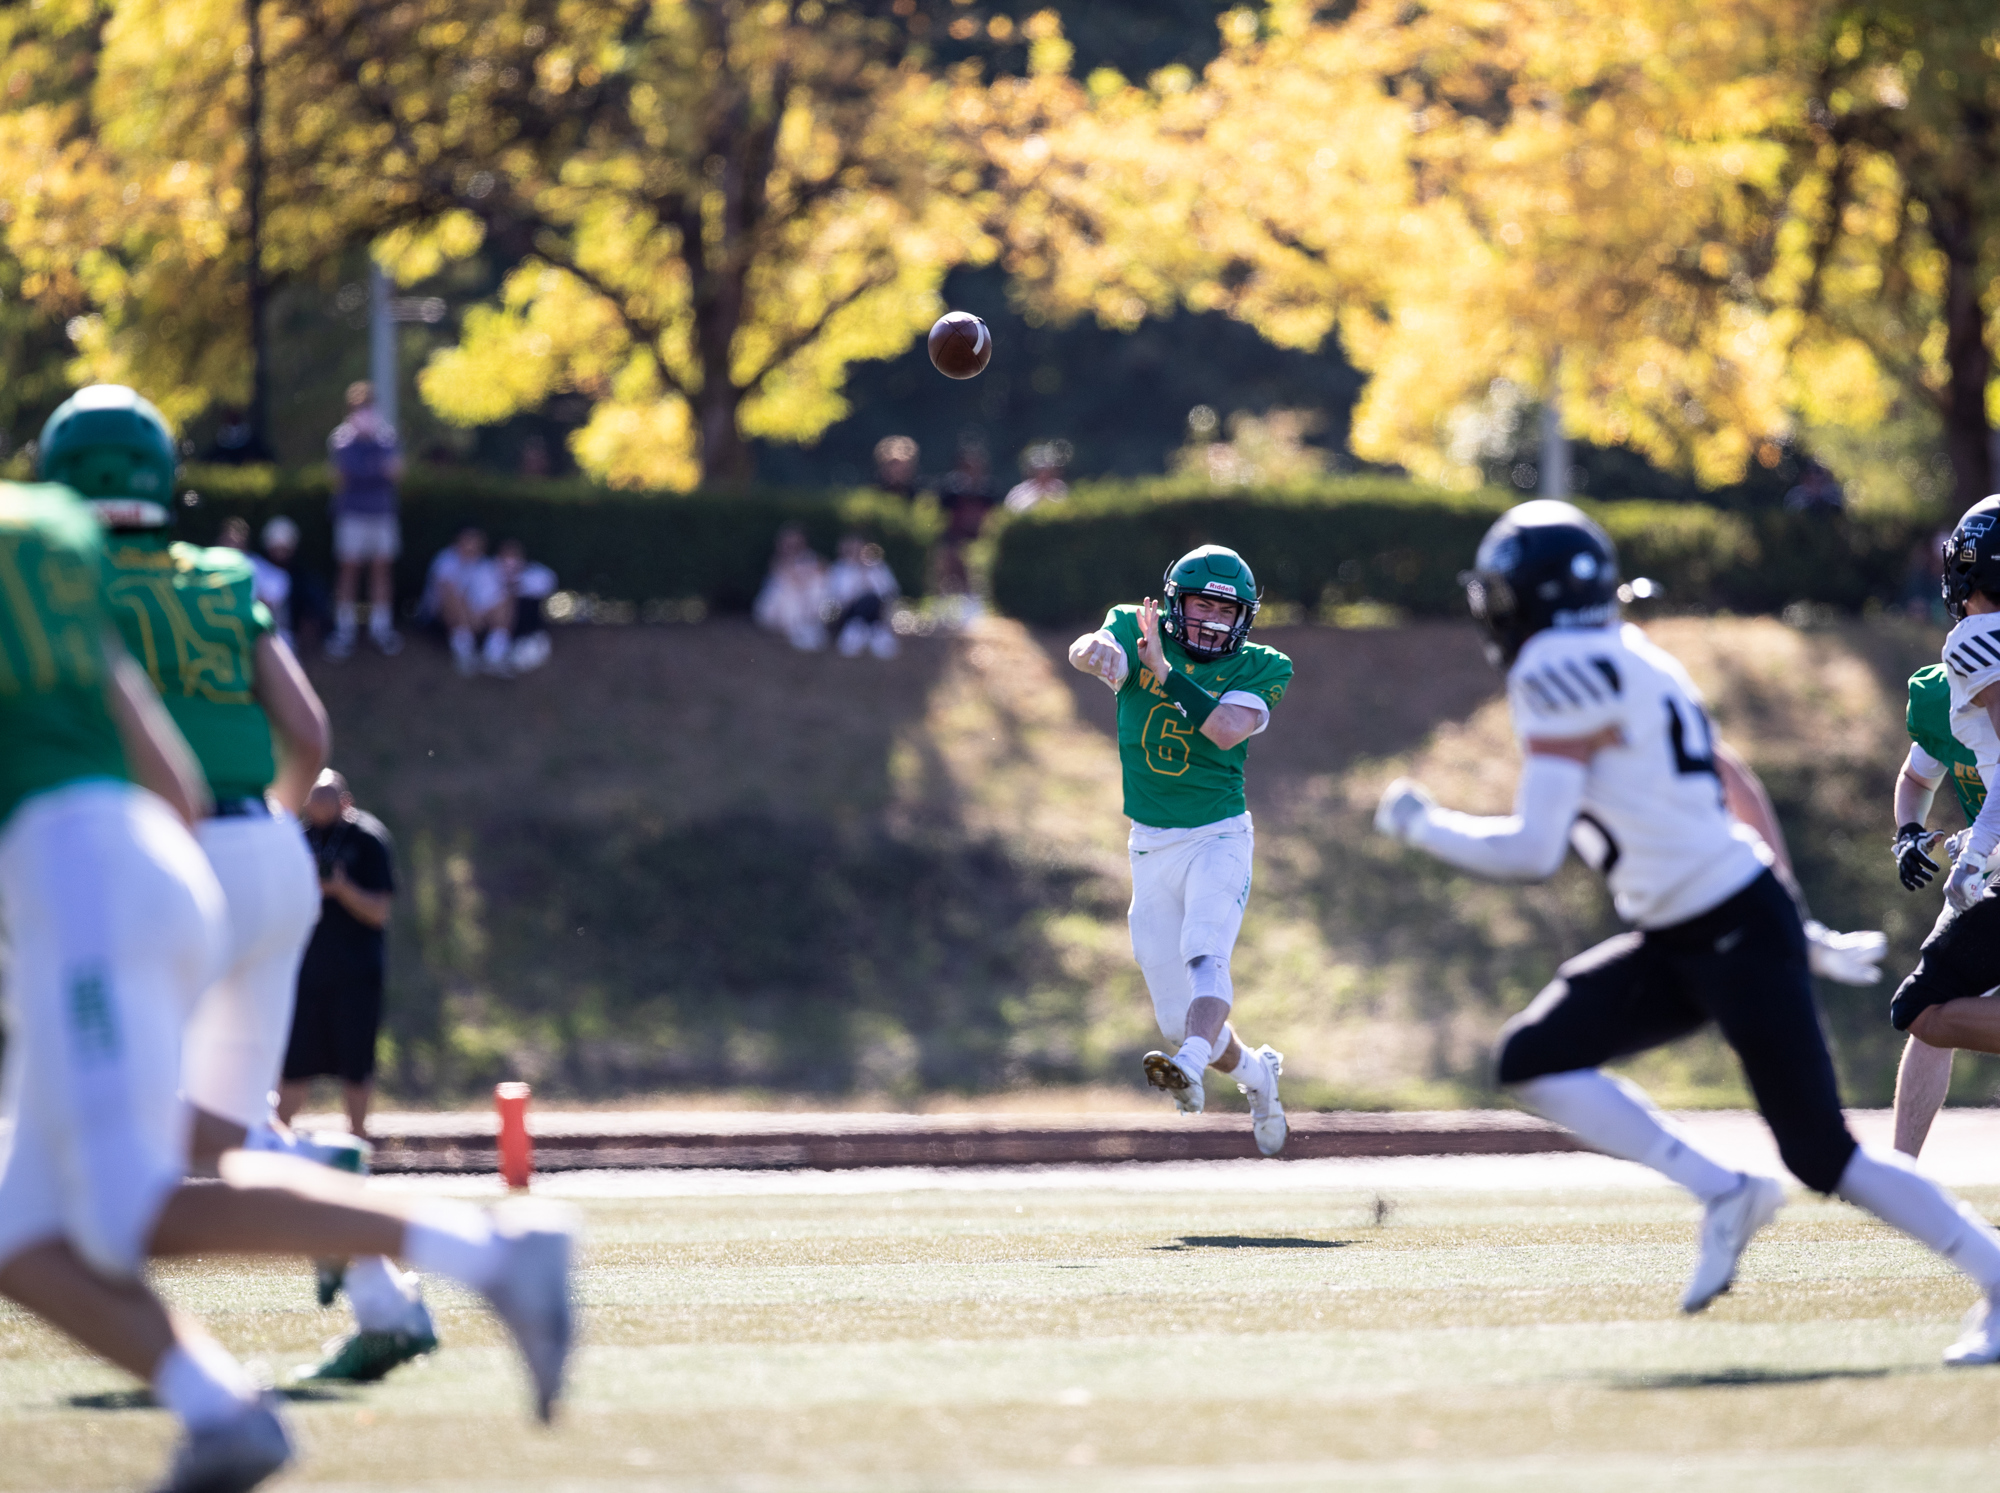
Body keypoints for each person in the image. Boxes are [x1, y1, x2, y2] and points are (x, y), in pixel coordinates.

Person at [0, 479, 575, 1493]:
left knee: (124, 1204)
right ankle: (220, 1412)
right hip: (153, 864)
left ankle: (489, 1255)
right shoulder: (47, 540)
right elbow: (175, 782)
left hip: (80, 887)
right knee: (22, 1235)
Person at [1373, 498, 2000, 1364]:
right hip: (1699, 923)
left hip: (1724, 926)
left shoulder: (1555, 665)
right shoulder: (1635, 652)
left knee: (1823, 1154)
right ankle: (1725, 1190)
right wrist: (1795, 911)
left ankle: (1999, 1282)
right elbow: (1731, 778)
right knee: (1532, 1057)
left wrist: (1421, 823)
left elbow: (1532, 850)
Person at [43, 386, 447, 1388]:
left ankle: (307, 1182)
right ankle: (384, 1296)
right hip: (268, 851)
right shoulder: (222, 575)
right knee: (223, 1126)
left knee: (127, 1113)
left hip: (157, 857)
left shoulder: (60, 585)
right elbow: (309, 734)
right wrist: (257, 821)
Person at [1067, 545, 1294, 1155]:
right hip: (1150, 845)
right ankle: (1257, 1076)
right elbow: (1093, 649)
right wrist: (1097, 654)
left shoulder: (1263, 665)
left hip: (1217, 837)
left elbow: (1223, 730)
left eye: (1228, 609)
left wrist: (1164, 672)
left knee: (1204, 955)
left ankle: (1189, 1065)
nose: (1216, 620)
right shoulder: (1132, 627)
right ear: (1174, 603)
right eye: (1203, 604)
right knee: (1178, 1019)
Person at [1885, 497, 2000, 1158]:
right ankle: (1901, 1167)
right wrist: (1909, 833)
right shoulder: (1941, 693)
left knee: (1927, 1008)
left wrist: (1977, 847)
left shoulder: (1974, 643)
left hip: (1985, 862)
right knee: (1928, 1010)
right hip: (1986, 870)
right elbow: (1916, 777)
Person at [281, 771, 396, 1140]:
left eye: (327, 800)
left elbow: (379, 911)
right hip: (306, 973)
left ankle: (359, 1140)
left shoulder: (368, 839)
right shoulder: (296, 839)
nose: (318, 808)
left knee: (356, 1065)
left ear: (346, 802)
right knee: (293, 1065)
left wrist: (343, 889)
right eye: (313, 800)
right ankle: (276, 1142)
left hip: (356, 974)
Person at [326, 380, 404, 659]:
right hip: (351, 515)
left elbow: (395, 472)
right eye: (359, 406)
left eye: (368, 405)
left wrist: (364, 469)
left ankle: (381, 628)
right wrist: (374, 470)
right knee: (349, 569)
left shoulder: (387, 437)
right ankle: (344, 630)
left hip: (382, 514)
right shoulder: (341, 439)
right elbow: (341, 476)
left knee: (381, 569)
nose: (364, 411)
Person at [423, 527, 515, 675]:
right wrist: (469, 615)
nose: (472, 545)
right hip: (439, 618)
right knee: (452, 597)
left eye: (476, 541)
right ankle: (465, 654)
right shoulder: (445, 560)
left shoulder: (485, 565)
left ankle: (494, 656)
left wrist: (479, 616)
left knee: (505, 598)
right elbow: (446, 593)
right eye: (468, 540)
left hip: (475, 619)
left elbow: (492, 595)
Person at [753, 523, 830, 651]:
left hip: (806, 601)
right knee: (789, 593)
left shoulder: (810, 557)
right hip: (779, 605)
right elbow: (785, 577)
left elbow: (823, 570)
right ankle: (797, 630)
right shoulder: (777, 560)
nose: (791, 545)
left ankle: (809, 627)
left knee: (817, 588)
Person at [826, 534, 900, 658]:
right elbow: (837, 596)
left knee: (870, 600)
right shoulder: (838, 569)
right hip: (849, 612)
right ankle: (859, 630)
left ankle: (871, 631)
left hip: (877, 610)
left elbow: (890, 592)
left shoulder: (878, 567)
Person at [496, 538, 557, 673]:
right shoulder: (489, 572)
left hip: (529, 631)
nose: (510, 560)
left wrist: (515, 583)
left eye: (514, 555)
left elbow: (545, 585)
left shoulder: (537, 574)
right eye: (506, 555)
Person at [1003, 441, 1071, 514]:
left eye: (1046, 469)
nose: (1043, 474)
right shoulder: (1020, 491)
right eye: (1039, 470)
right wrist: (1037, 499)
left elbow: (1068, 508)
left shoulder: (1060, 488)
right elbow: (1011, 511)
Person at [873, 434, 922, 502]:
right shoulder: (866, 500)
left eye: (903, 469)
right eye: (892, 465)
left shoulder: (924, 501)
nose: (896, 472)